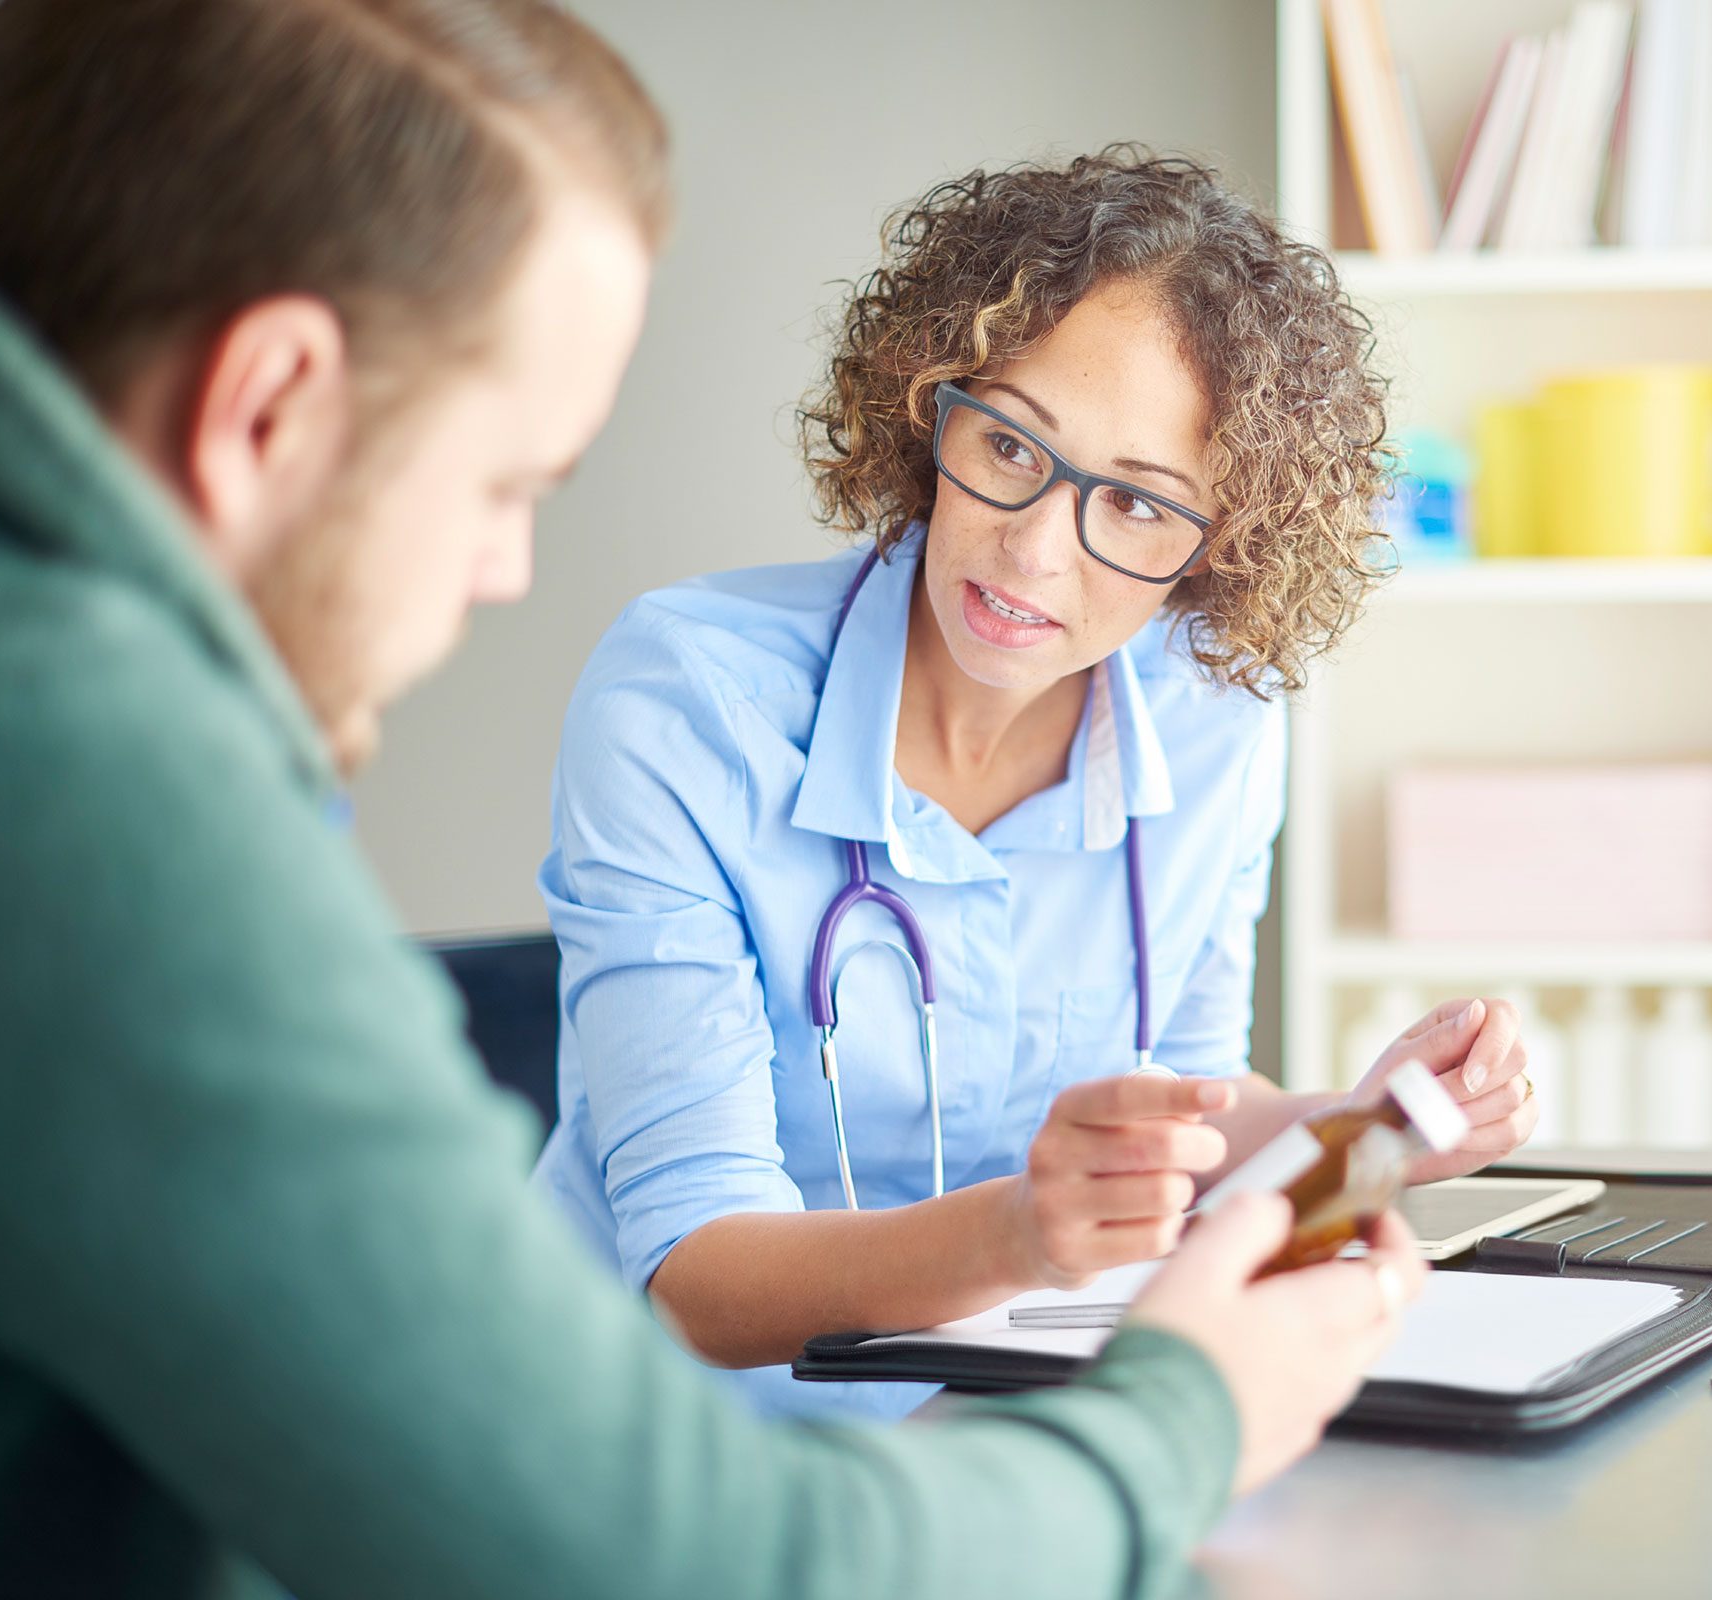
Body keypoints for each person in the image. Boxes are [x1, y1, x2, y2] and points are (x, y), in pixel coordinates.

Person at [0, 5, 1428, 1597]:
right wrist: (1182, 1413)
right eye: (507, 487)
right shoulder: (70, 792)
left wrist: (1340, 1130)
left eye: (1132, 505)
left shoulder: (9, 681)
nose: (505, 573)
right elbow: (694, 1550)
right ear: (267, 408)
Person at [533, 150, 1541, 1418]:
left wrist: (1366, 1121)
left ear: (1220, 548)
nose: (1031, 547)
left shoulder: (1217, 721)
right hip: (661, 1438)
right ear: (925, 402)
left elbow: (1180, 1124)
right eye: (1010, 443)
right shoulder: (688, 700)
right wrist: (1025, 1230)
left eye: (1134, 504)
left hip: (1006, 1417)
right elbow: (694, 1280)